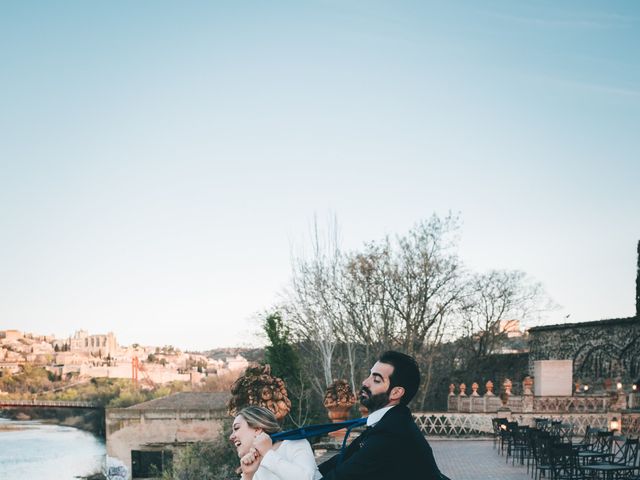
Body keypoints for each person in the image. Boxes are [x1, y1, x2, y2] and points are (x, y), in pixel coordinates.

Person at [318, 350, 445, 480]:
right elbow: (343, 458)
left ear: (396, 393)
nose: (365, 382)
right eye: (369, 375)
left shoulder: (392, 433)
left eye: (376, 380)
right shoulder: (391, 422)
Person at [229, 405, 322, 480]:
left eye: (236, 428)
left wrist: (267, 454)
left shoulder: (295, 443)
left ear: (257, 429)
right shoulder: (253, 465)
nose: (231, 437)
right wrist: (247, 476)